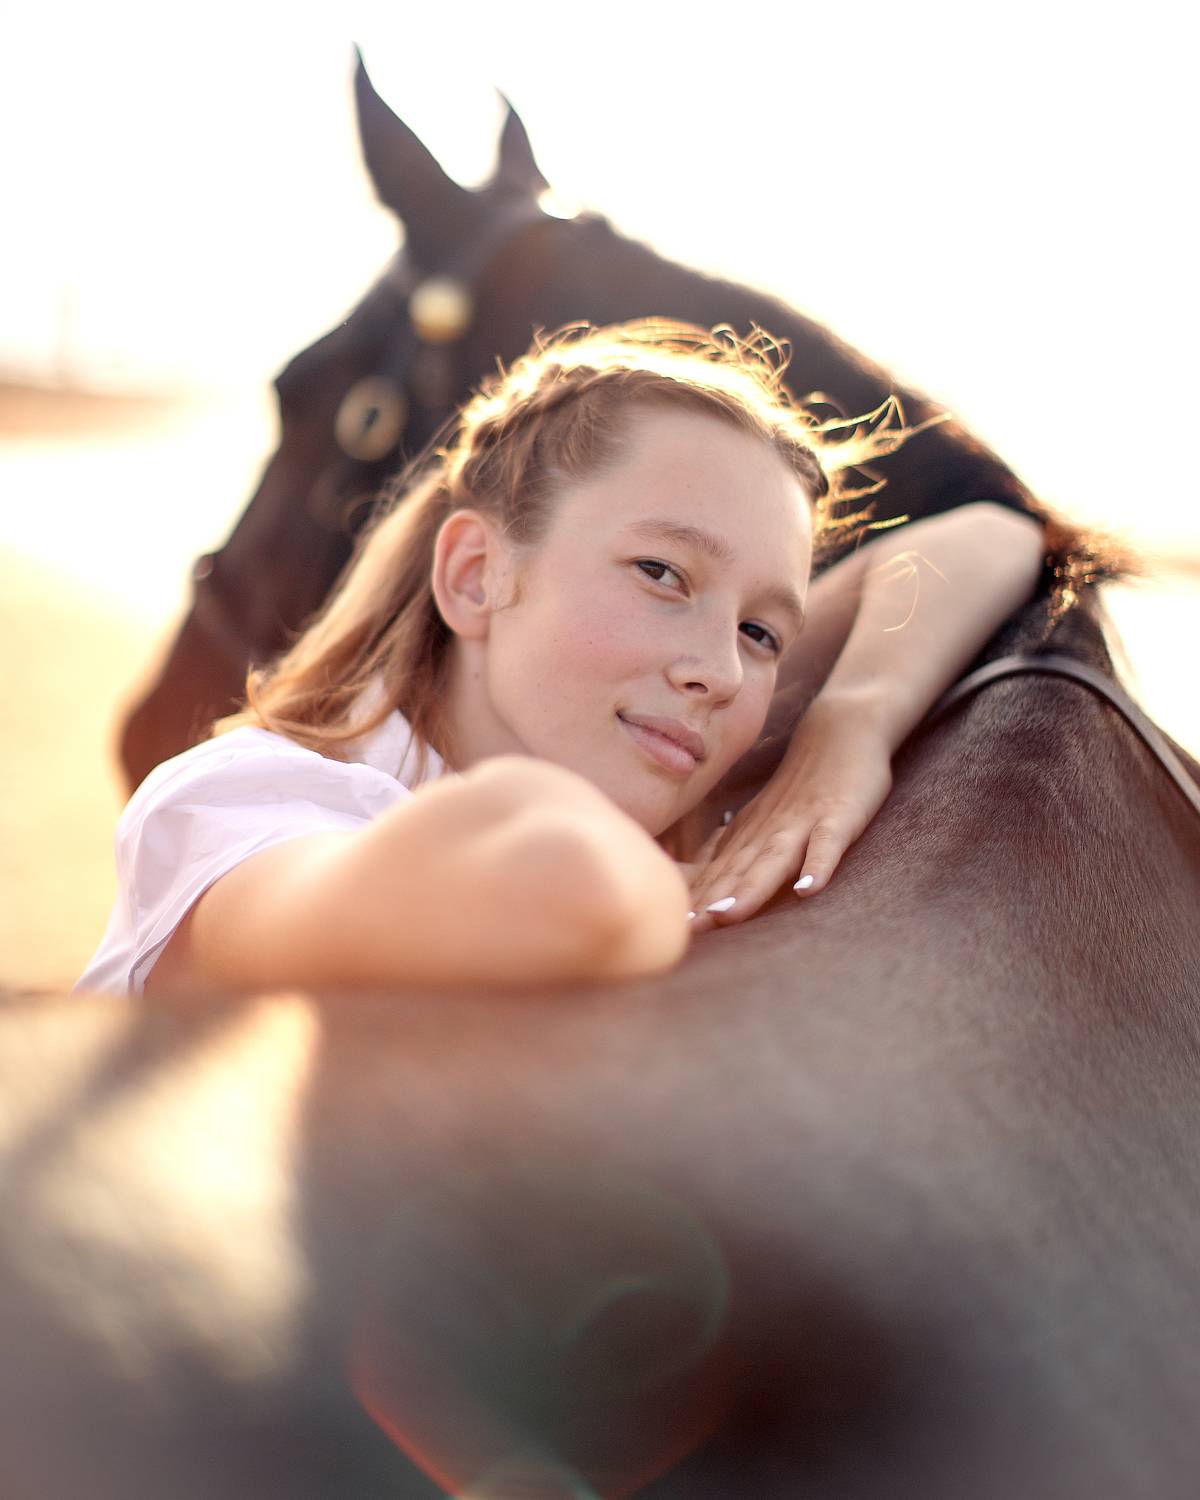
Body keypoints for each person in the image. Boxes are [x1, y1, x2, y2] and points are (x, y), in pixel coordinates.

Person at [77, 320, 1046, 997]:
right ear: (475, 576)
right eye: (663, 572)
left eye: (764, 632)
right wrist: (676, 884)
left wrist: (846, 728)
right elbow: (562, 882)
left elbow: (991, 540)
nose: (719, 670)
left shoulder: (669, 736)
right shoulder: (245, 804)